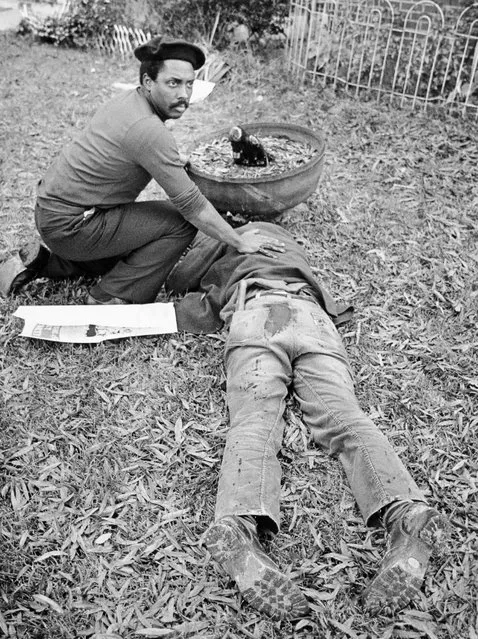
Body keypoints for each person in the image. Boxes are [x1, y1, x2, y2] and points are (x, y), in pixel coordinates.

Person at [166, 221, 450, 620]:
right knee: (345, 419)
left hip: (259, 314)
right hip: (314, 318)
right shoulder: (292, 249)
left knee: (255, 420)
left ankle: (240, 524)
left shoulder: (226, 237)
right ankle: (407, 514)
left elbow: (178, 277)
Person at [0, 35, 283, 303]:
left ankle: (47, 263)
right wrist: (238, 240)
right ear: (148, 82)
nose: (184, 94)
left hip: (53, 214)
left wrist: (171, 159)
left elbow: (132, 149)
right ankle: (111, 296)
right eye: (173, 83)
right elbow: (192, 206)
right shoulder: (148, 131)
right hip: (71, 226)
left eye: (189, 84)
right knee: (179, 224)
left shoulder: (128, 102)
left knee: (139, 238)